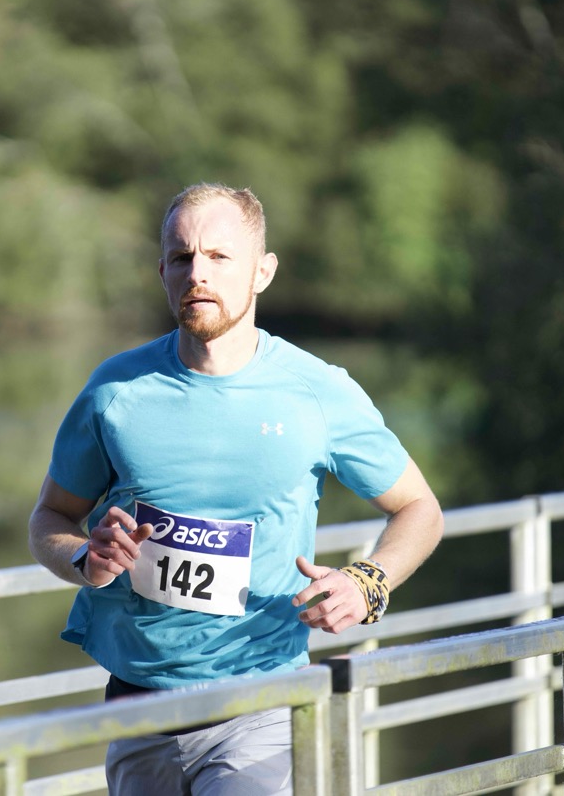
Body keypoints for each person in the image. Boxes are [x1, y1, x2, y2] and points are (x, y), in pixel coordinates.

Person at [27, 182, 444, 795]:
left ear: (262, 272)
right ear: (163, 273)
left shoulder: (316, 391)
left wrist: (367, 582)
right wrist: (86, 556)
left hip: (261, 702)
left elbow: (419, 508)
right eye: (181, 257)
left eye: (220, 257)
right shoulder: (115, 391)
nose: (197, 273)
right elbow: (50, 518)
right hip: (137, 708)